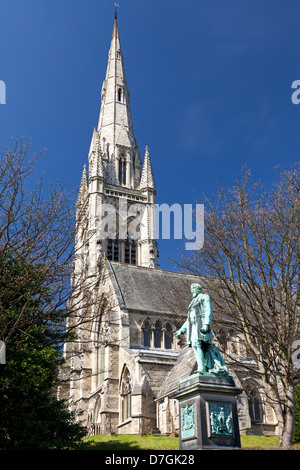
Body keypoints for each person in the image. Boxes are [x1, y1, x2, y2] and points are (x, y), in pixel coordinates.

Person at [174, 283, 229, 376]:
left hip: (201, 324)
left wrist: (206, 324)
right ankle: (202, 367)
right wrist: (181, 330)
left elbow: (208, 310)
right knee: (195, 345)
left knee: (197, 343)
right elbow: (189, 319)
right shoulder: (192, 302)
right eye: (191, 289)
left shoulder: (204, 297)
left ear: (199, 289)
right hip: (193, 326)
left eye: (194, 288)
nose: (192, 290)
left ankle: (201, 368)